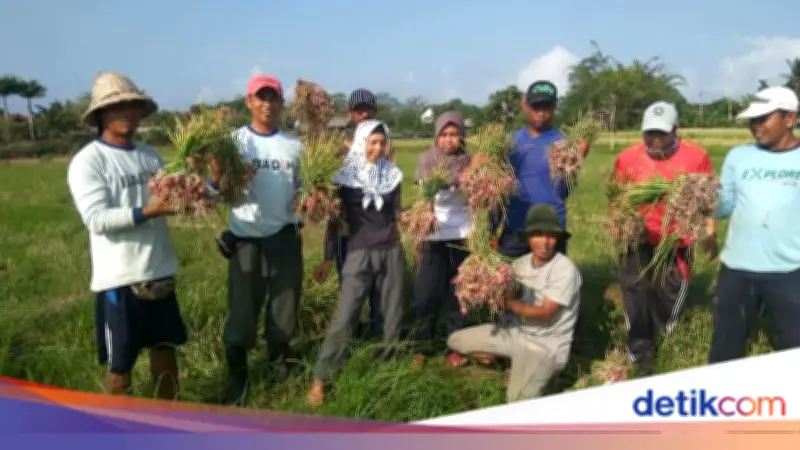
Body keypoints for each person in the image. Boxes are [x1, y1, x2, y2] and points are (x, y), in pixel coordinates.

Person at [66, 71, 189, 399]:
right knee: (120, 365)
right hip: (119, 280)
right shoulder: (89, 161)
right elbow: (96, 219)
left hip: (159, 271)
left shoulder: (150, 156)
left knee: (165, 352)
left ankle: (168, 418)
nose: (127, 112)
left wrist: (212, 183)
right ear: (101, 114)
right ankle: (119, 423)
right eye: (117, 106)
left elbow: (176, 195)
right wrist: (150, 210)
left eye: (132, 105)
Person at [214, 74, 304, 405]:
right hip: (246, 238)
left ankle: (278, 360)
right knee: (242, 308)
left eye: (273, 97)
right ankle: (238, 375)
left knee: (285, 303)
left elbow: (303, 189)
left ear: (281, 103)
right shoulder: (232, 142)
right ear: (249, 102)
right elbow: (216, 189)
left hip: (284, 235)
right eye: (261, 97)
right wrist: (226, 181)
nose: (267, 104)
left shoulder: (294, 146)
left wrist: (310, 205)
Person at [612, 101, 718, 376]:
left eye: (662, 133)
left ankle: (660, 342)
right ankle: (640, 353)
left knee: (667, 294)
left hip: (676, 239)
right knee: (635, 292)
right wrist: (621, 224)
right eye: (650, 133)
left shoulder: (696, 157)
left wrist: (710, 232)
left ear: (676, 129)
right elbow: (616, 197)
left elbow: (708, 199)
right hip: (637, 238)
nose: (655, 139)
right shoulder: (627, 158)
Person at [309, 120, 405, 407]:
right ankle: (321, 376)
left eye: (382, 142)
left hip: (391, 250)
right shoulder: (344, 178)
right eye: (372, 142)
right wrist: (328, 257)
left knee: (392, 313)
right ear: (361, 142)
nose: (378, 148)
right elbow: (334, 221)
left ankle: (387, 367)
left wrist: (418, 216)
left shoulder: (393, 175)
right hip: (359, 252)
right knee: (346, 314)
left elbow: (396, 213)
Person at [446, 204, 582, 402]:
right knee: (455, 340)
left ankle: (545, 375)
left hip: (545, 346)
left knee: (516, 400)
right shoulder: (520, 264)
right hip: (515, 333)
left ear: (557, 239)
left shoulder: (565, 269)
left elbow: (546, 313)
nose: (544, 242)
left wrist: (509, 303)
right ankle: (508, 358)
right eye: (538, 235)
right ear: (528, 237)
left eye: (551, 236)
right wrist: (489, 278)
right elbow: (505, 293)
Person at [709, 86, 800, 364]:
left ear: (790, 118)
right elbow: (724, 207)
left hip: (789, 270)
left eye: (763, 118)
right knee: (726, 347)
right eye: (753, 119)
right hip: (737, 269)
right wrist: (705, 198)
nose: (756, 125)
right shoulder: (738, 156)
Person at [489, 80, 592, 259]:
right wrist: (491, 230)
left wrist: (576, 159)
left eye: (547, 107)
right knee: (511, 276)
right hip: (516, 228)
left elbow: (564, 191)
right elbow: (498, 193)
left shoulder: (564, 144)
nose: (541, 112)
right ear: (525, 105)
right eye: (536, 107)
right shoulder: (509, 143)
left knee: (552, 276)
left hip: (551, 230)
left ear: (554, 107)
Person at [410, 111, 473, 368]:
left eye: (454, 134)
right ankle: (420, 346)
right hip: (433, 235)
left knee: (456, 294)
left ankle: (454, 346)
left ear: (462, 136)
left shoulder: (470, 161)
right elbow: (425, 194)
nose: (449, 140)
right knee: (426, 293)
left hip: (462, 235)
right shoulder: (426, 160)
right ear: (436, 136)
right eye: (444, 134)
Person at [330, 88, 383, 339]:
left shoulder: (384, 148)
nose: (364, 114)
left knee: (378, 285)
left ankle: (379, 336)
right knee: (350, 285)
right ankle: (349, 338)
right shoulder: (339, 151)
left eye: (368, 109)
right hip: (348, 231)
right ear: (350, 114)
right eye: (359, 110)